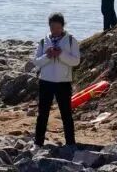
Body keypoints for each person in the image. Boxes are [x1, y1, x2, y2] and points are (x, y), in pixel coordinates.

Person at [33, 13, 80, 149]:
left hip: (63, 82)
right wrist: (47, 55)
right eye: (53, 27)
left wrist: (61, 54)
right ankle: (38, 143)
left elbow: (76, 61)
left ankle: (70, 143)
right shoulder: (43, 41)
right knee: (43, 114)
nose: (55, 30)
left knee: (66, 114)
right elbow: (36, 61)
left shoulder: (71, 40)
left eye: (58, 27)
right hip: (46, 81)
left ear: (62, 26)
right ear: (49, 26)